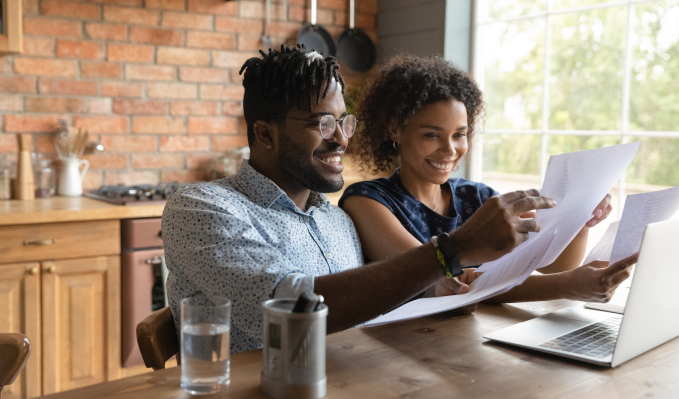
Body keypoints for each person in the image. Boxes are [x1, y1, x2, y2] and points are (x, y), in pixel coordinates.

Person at [162, 45, 634, 353]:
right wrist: (450, 253)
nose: (340, 141)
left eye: (343, 123)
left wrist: (438, 286)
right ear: (263, 133)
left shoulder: (334, 221)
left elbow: (387, 299)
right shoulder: (202, 208)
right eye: (320, 124)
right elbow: (295, 310)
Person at [340, 54, 633, 305]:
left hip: (476, 341)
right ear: (395, 130)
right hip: (403, 347)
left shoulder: (477, 198)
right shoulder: (366, 202)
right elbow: (448, 281)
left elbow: (556, 265)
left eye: (459, 135)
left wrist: (580, 218)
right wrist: (567, 286)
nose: (449, 149)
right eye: (431, 135)